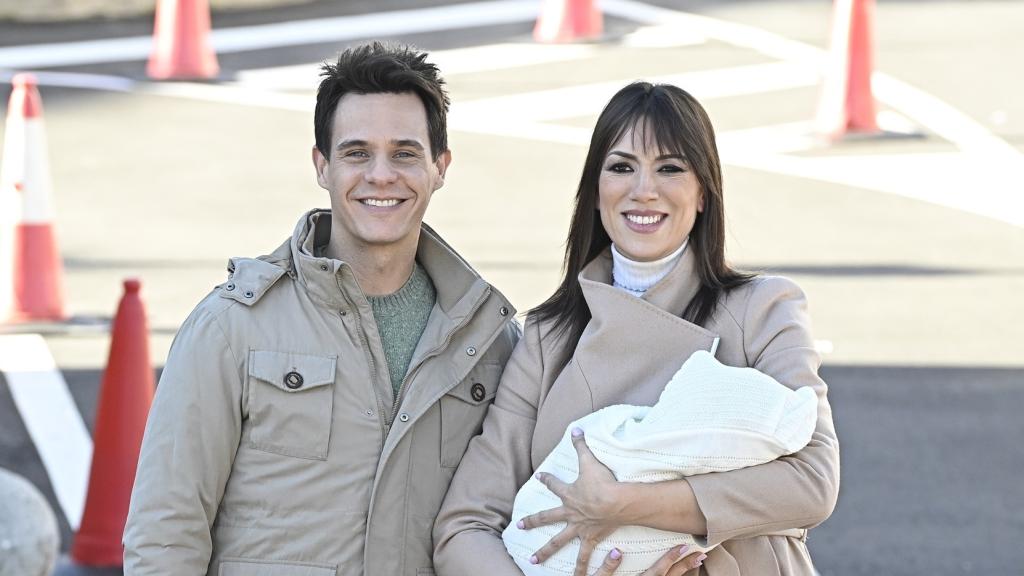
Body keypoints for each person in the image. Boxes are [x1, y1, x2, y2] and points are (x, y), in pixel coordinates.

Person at [123, 42, 520, 576]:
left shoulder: (489, 341)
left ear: (440, 167)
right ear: (322, 166)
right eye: (357, 153)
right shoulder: (232, 327)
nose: (381, 175)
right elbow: (165, 534)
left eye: (405, 153)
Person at [433, 82, 840, 576]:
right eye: (622, 167)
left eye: (670, 168)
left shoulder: (763, 309)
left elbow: (812, 482)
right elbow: (464, 526)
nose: (644, 189)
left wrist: (621, 505)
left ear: (704, 192)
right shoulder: (549, 337)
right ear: (595, 191)